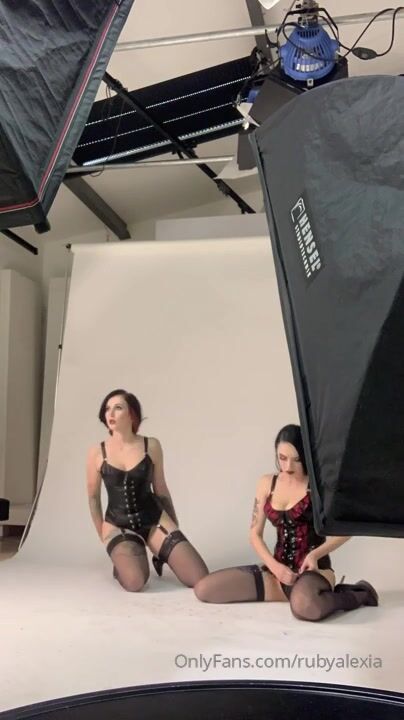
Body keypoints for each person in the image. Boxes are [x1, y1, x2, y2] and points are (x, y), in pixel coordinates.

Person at [194, 424, 378, 621]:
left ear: (306, 456)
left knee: (306, 607)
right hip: (277, 573)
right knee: (205, 589)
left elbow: (347, 530)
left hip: (314, 572)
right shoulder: (267, 483)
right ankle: (301, 595)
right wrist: (275, 567)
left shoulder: (319, 487)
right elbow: (255, 534)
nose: (288, 467)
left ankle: (359, 593)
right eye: (282, 458)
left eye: (296, 460)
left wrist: (315, 555)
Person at [86, 389, 208, 592]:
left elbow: (161, 489)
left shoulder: (151, 445)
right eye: (107, 409)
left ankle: (158, 555)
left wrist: (174, 528)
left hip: (154, 518)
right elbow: (93, 498)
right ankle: (122, 563)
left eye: (118, 408)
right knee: (135, 582)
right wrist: (103, 535)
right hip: (118, 523)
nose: (111, 414)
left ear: (132, 414)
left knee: (198, 576)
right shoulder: (97, 452)